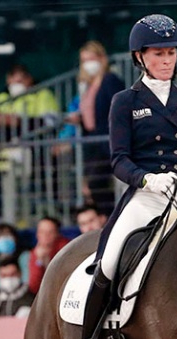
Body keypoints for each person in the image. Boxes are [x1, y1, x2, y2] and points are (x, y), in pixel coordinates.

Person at [65, 13, 177, 339]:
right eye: (158, 54)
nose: (166, 61)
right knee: (110, 258)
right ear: (140, 57)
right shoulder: (124, 101)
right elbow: (119, 160)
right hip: (148, 194)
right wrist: (147, 178)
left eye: (171, 54)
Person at [65, 42, 125, 214]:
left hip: (106, 141)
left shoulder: (110, 80)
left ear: (101, 58)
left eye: (91, 58)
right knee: (91, 186)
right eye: (84, 60)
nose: (88, 63)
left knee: (96, 183)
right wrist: (79, 119)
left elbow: (118, 108)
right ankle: (107, 215)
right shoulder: (88, 85)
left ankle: (110, 215)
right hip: (92, 142)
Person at [28, 216, 70, 294]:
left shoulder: (67, 249)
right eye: (42, 232)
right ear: (37, 234)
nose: (45, 235)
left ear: (57, 234)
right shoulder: (35, 252)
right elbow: (34, 287)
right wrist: (40, 261)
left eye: (50, 232)